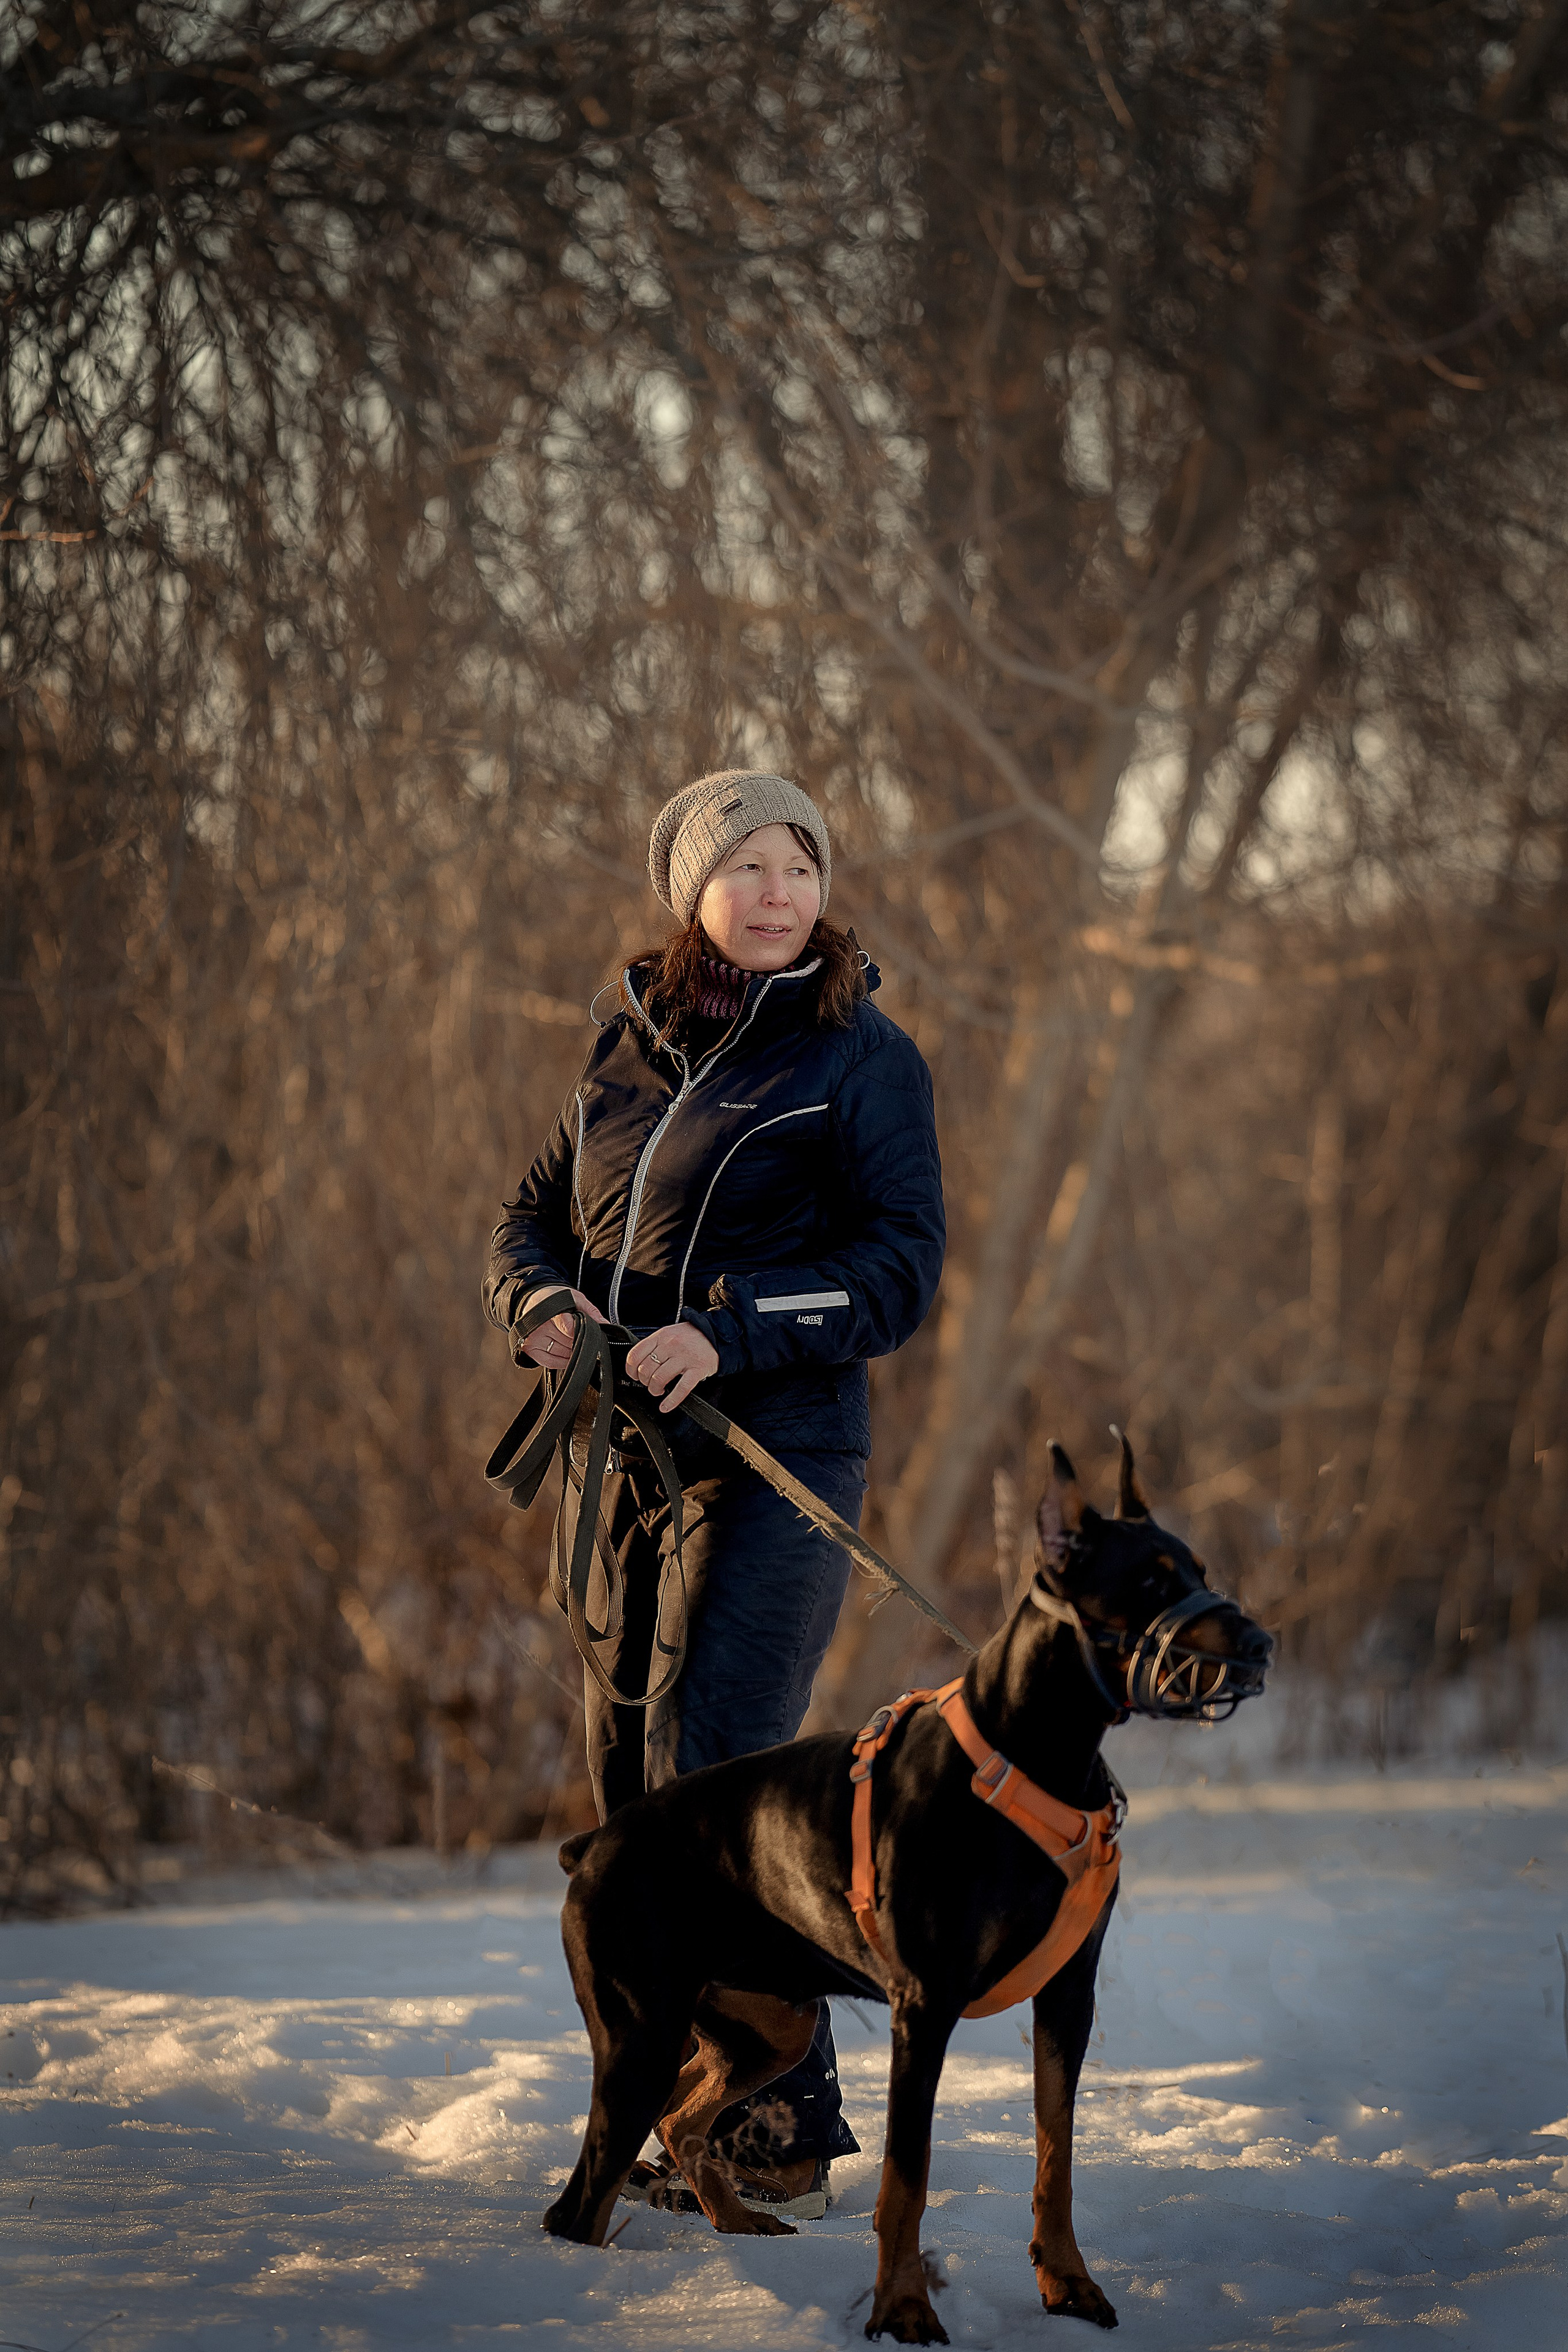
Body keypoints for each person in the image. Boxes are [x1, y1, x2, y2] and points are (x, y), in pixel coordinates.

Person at [483, 769, 944, 2215]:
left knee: (731, 1779)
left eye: (795, 864)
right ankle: (658, 2109)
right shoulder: (618, 1048)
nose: (774, 892)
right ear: (689, 890)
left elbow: (899, 1273)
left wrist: (730, 1332)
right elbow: (527, 1218)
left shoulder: (860, 1055)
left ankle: (774, 2132)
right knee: (627, 1796)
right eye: (741, 866)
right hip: (623, 1460)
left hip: (781, 1458)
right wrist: (542, 1305)